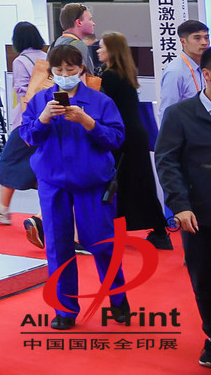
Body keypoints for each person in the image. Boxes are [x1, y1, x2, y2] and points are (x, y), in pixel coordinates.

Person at [21, 40, 128, 328]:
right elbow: (28, 136)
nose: (65, 74)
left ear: (81, 69)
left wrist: (88, 122)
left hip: (92, 181)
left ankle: (118, 297)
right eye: (58, 70)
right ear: (51, 72)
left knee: (101, 242)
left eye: (70, 69)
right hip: (52, 181)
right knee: (57, 245)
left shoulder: (100, 101)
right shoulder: (41, 101)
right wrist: (43, 119)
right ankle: (65, 309)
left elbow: (116, 138)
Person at [154, 46, 211, 368]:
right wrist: (179, 205)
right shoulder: (180, 114)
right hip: (199, 213)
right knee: (205, 279)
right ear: (207, 75)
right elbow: (167, 161)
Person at [97, 31, 171, 249]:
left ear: (112, 51)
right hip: (134, 134)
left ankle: (128, 231)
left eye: (102, 47)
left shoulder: (109, 77)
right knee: (139, 183)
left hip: (123, 136)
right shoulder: (126, 73)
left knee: (120, 184)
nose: (98, 50)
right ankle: (157, 231)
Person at [0, 21, 48, 226]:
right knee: (42, 166)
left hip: (26, 121)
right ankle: (43, 209)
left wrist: (27, 123)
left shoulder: (21, 61)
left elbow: (22, 92)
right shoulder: (47, 57)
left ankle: (3, 208)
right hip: (47, 117)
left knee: (8, 159)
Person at [157, 19, 211, 120]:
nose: (204, 43)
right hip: (187, 128)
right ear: (183, 41)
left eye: (206, 37)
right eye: (197, 38)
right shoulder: (175, 72)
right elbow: (167, 112)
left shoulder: (204, 66)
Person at [52, 2, 100, 75]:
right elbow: (82, 76)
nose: (93, 23)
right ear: (79, 22)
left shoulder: (55, 44)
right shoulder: (77, 46)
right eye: (90, 19)